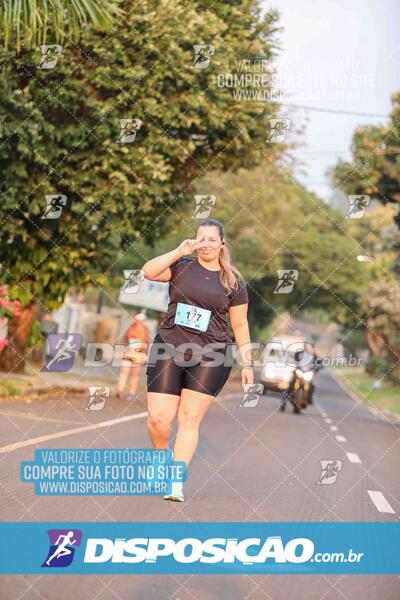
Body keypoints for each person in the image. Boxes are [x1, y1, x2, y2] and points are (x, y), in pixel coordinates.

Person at [142, 218, 253, 502]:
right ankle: (160, 455)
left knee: (189, 419)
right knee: (157, 419)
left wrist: (248, 362)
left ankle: (175, 482)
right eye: (200, 238)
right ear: (194, 241)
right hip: (169, 346)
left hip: (212, 355)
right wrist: (179, 251)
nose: (206, 244)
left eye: (212, 239)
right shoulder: (181, 267)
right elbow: (148, 272)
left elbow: (239, 325)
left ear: (222, 244)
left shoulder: (233, 281)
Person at [116, 312, 149, 400]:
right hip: (129, 352)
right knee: (124, 371)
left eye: (141, 320)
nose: (140, 322)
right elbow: (125, 339)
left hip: (138, 354)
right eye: (139, 320)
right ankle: (120, 390)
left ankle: (132, 392)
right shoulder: (131, 328)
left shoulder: (144, 330)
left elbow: (146, 343)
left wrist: (143, 353)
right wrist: (122, 349)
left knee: (134, 374)